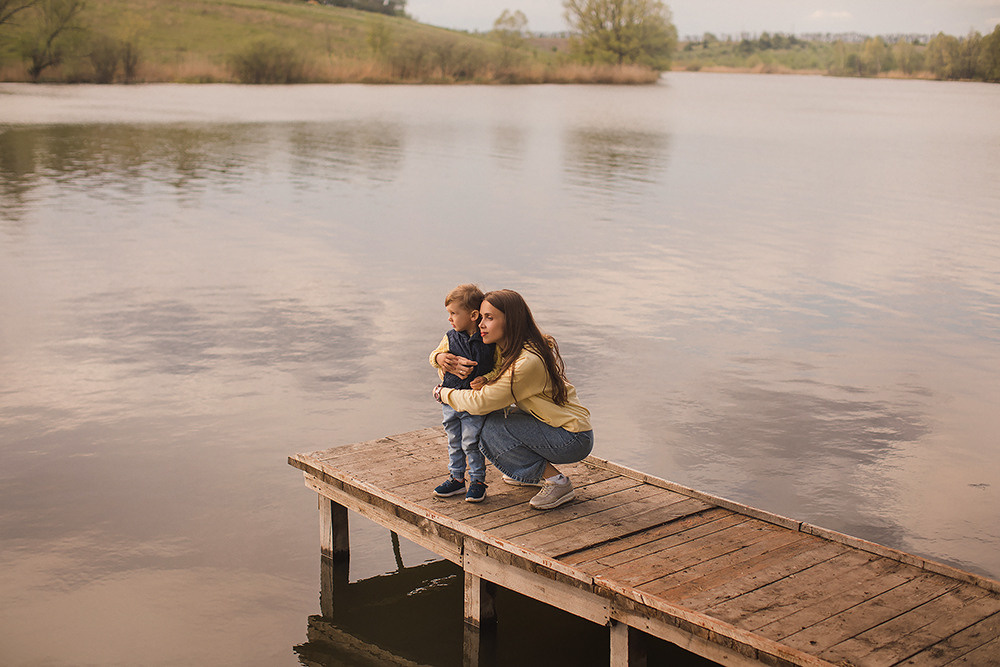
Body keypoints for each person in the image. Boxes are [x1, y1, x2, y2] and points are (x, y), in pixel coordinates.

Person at [433, 289, 593, 510]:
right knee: (491, 421)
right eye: (480, 317)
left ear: (511, 321)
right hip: (551, 424)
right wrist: (441, 359)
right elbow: (456, 367)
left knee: (488, 428)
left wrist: (442, 393)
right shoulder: (505, 349)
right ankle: (528, 473)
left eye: (489, 318)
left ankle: (558, 483)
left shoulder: (526, 361)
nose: (480, 324)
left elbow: (482, 403)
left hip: (572, 437)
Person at [428, 284, 501, 503]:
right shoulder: (450, 337)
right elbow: (434, 356)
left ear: (472, 315)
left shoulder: (488, 340)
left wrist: (487, 378)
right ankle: (457, 478)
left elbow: (500, 366)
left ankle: (478, 481)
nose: (450, 319)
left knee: (471, 441)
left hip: (474, 402)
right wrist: (440, 359)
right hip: (450, 400)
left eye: (453, 313)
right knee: (453, 439)